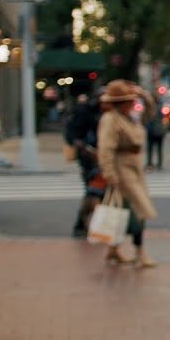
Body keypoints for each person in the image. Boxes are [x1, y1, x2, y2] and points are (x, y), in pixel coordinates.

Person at [96, 80, 159, 267]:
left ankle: (113, 250)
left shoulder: (131, 117)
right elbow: (105, 149)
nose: (132, 103)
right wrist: (110, 175)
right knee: (138, 211)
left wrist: (143, 94)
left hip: (134, 168)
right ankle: (139, 251)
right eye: (128, 100)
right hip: (122, 170)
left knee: (120, 212)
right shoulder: (111, 119)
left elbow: (151, 112)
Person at [65, 92, 102, 238]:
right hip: (90, 158)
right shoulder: (85, 112)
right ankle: (82, 224)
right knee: (93, 191)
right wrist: (83, 147)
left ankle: (87, 224)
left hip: (99, 157)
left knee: (96, 192)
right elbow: (74, 134)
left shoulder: (106, 114)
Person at [145, 94, 167, 170]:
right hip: (158, 131)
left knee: (151, 148)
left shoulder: (152, 109)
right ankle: (157, 164)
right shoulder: (161, 108)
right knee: (158, 149)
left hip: (154, 131)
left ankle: (151, 163)